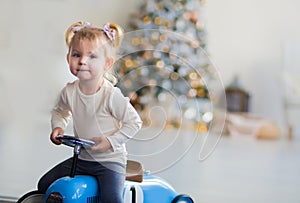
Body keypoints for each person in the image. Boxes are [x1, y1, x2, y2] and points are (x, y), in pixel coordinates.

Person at [37, 21, 142, 203]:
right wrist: (58, 127)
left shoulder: (111, 95)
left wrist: (110, 141)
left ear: (107, 64)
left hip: (110, 161)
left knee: (112, 199)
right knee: (44, 184)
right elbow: (60, 111)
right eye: (76, 55)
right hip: (83, 159)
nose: (83, 61)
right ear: (68, 58)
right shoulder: (69, 91)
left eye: (92, 56)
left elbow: (134, 122)